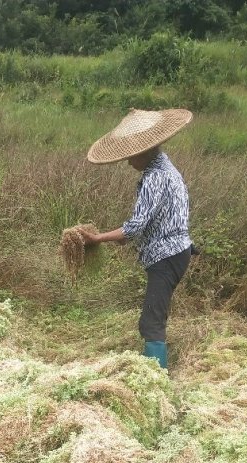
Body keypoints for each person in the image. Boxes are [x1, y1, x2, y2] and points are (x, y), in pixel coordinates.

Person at [82, 108, 195, 370]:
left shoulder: (155, 176)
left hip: (167, 255)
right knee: (153, 316)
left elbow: (134, 227)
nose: (128, 161)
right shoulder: (166, 167)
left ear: (146, 150)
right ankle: (156, 372)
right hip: (176, 251)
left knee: (151, 322)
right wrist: (121, 237)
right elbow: (146, 224)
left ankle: (156, 382)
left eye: (131, 155)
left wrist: (98, 238)